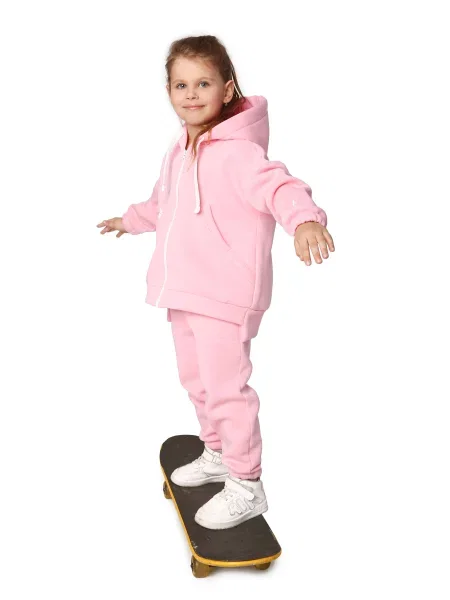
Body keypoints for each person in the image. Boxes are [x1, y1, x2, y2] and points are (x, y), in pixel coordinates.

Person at [97, 35, 335, 530]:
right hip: (184, 289)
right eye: (180, 85)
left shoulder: (239, 152)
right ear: (168, 91)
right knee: (196, 381)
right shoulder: (180, 149)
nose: (191, 94)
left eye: (203, 83)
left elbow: (280, 186)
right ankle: (218, 453)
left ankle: (247, 484)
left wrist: (305, 220)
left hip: (225, 294)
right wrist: (129, 221)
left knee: (227, 389)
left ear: (226, 90)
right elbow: (162, 203)